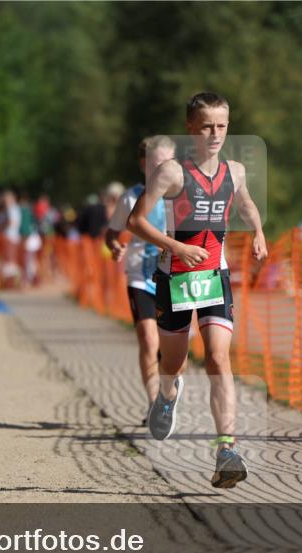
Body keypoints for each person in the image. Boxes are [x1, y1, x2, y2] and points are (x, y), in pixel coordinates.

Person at [128, 92, 268, 489]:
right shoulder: (171, 172)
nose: (214, 134)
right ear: (190, 127)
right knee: (174, 362)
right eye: (206, 125)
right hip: (174, 279)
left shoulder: (236, 171)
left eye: (221, 126)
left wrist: (257, 231)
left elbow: (246, 204)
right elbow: (136, 221)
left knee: (219, 358)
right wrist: (176, 247)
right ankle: (167, 396)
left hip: (214, 277)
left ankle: (227, 449)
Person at [106, 135, 184, 425]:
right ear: (144, 164)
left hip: (176, 278)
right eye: (155, 162)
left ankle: (166, 395)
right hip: (141, 276)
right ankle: (155, 405)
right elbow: (112, 233)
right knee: (149, 340)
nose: (162, 166)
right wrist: (115, 246)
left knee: (174, 348)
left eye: (168, 161)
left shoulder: (184, 196)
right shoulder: (131, 197)